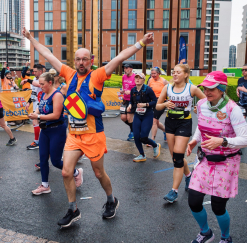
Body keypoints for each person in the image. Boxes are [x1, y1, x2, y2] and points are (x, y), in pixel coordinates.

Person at [23, 27, 154, 227]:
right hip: (74, 134)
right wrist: (31, 38)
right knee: (66, 172)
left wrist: (141, 43)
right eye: (78, 59)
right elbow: (47, 54)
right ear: (74, 61)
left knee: (99, 173)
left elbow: (119, 58)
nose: (81, 62)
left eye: (85, 59)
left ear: (91, 61)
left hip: (93, 134)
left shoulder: (98, 75)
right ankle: (73, 209)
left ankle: (111, 200)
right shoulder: (68, 73)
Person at [186, 71, 247, 243]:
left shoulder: (233, 109)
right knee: (193, 200)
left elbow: (246, 139)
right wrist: (194, 140)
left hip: (227, 162)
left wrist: (222, 141)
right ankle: (206, 232)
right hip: (206, 159)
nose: (207, 92)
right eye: (205, 88)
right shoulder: (201, 104)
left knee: (218, 206)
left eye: (212, 89)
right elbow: (201, 126)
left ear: (222, 89)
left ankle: (225, 237)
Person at [155, 64, 206, 203]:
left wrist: (197, 107)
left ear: (186, 75)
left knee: (178, 155)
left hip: (184, 123)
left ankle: (174, 191)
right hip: (170, 122)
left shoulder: (192, 88)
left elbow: (205, 102)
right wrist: (165, 105)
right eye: (173, 72)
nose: (175, 74)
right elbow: (157, 106)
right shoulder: (168, 88)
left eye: (178, 72)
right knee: (174, 157)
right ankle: (189, 175)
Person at [28, 73, 83, 195]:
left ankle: (76, 173)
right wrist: (34, 113)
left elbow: (56, 115)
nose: (40, 86)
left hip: (57, 130)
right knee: (42, 159)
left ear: (50, 83)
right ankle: (45, 186)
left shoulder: (57, 95)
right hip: (45, 130)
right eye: (40, 84)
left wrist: (38, 116)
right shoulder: (44, 93)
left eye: (42, 84)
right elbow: (40, 107)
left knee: (56, 161)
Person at [127, 72, 160, 162]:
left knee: (143, 137)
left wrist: (145, 104)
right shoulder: (133, 90)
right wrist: (130, 105)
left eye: (140, 78)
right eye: (136, 78)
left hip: (147, 115)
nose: (137, 79)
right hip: (137, 115)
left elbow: (155, 101)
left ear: (143, 80)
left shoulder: (148, 89)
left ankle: (155, 145)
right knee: (136, 136)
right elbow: (131, 101)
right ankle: (142, 155)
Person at [147, 67, 169, 143]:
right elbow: (147, 90)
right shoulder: (150, 80)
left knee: (154, 121)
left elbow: (171, 89)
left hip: (161, 103)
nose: (152, 75)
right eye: (151, 73)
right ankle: (166, 131)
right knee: (155, 121)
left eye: (154, 73)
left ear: (159, 73)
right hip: (152, 102)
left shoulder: (164, 81)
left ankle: (152, 140)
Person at [25, 64, 44, 150]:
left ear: (40, 71)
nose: (34, 72)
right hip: (36, 104)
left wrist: (27, 80)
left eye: (36, 71)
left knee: (39, 122)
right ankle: (38, 141)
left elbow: (39, 85)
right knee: (36, 122)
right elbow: (33, 93)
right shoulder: (33, 79)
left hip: (43, 104)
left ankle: (37, 142)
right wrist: (28, 102)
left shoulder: (43, 78)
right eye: (33, 71)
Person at [120, 63, 136, 141]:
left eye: (127, 68)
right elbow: (123, 85)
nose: (125, 70)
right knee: (123, 117)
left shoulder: (135, 77)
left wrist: (131, 92)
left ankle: (132, 132)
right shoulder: (123, 76)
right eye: (124, 68)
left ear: (131, 69)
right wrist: (122, 91)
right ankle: (134, 128)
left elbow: (138, 89)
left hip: (132, 100)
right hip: (125, 100)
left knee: (129, 117)